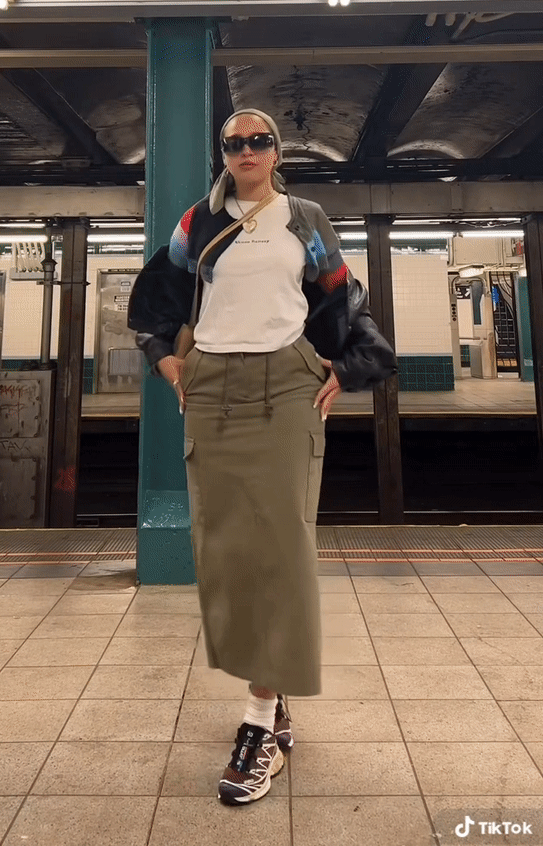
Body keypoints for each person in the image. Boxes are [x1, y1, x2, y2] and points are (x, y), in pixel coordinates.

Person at [128, 108, 397, 807]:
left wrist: (350, 365)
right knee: (226, 553)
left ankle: (256, 725)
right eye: (234, 143)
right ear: (223, 153)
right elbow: (157, 293)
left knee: (281, 549)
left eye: (259, 141)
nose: (246, 150)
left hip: (285, 384)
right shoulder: (198, 223)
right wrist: (164, 358)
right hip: (212, 384)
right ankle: (272, 701)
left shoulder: (304, 219)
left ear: (277, 152)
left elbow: (342, 297)